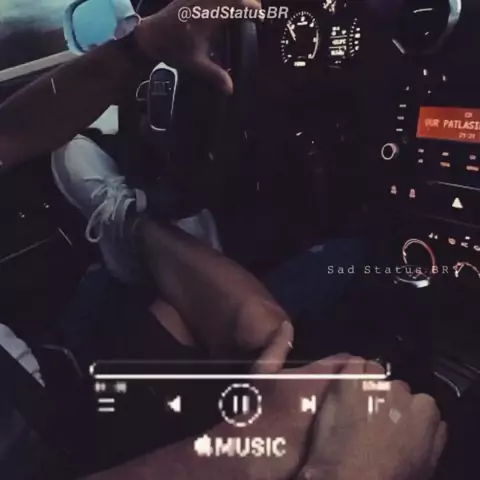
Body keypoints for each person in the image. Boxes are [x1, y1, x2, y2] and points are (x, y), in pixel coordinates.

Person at [0, 0, 447, 478]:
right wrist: (284, 453)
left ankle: (131, 227)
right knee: (351, 266)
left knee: (258, 327)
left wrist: (143, 45)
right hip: (53, 449)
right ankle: (133, 230)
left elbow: (7, 136)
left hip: (43, 383)